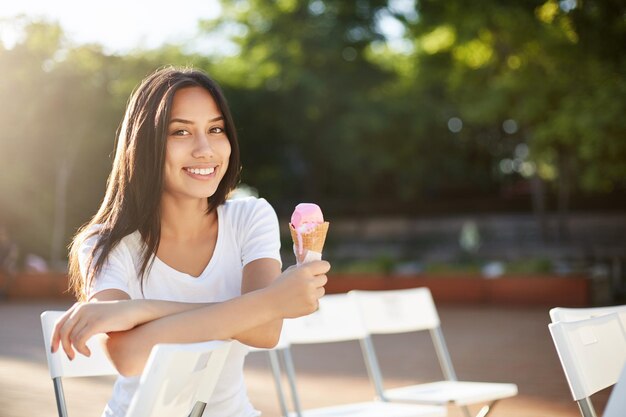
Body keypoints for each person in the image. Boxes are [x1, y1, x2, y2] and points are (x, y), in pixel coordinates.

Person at [50, 66, 330, 417]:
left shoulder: (249, 218)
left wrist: (140, 311)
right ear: (145, 144)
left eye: (215, 129)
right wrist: (269, 301)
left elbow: (264, 330)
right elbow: (129, 357)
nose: (205, 149)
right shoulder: (104, 243)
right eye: (180, 132)